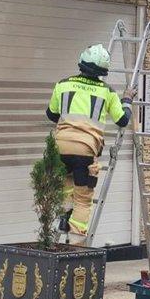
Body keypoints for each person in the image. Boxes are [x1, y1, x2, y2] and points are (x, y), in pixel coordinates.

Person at [46, 44, 135, 245]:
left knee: (67, 184)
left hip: (60, 147)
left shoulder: (63, 84)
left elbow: (51, 114)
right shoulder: (107, 92)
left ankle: (64, 215)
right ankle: (76, 245)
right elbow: (122, 120)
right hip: (85, 150)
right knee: (84, 198)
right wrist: (127, 100)